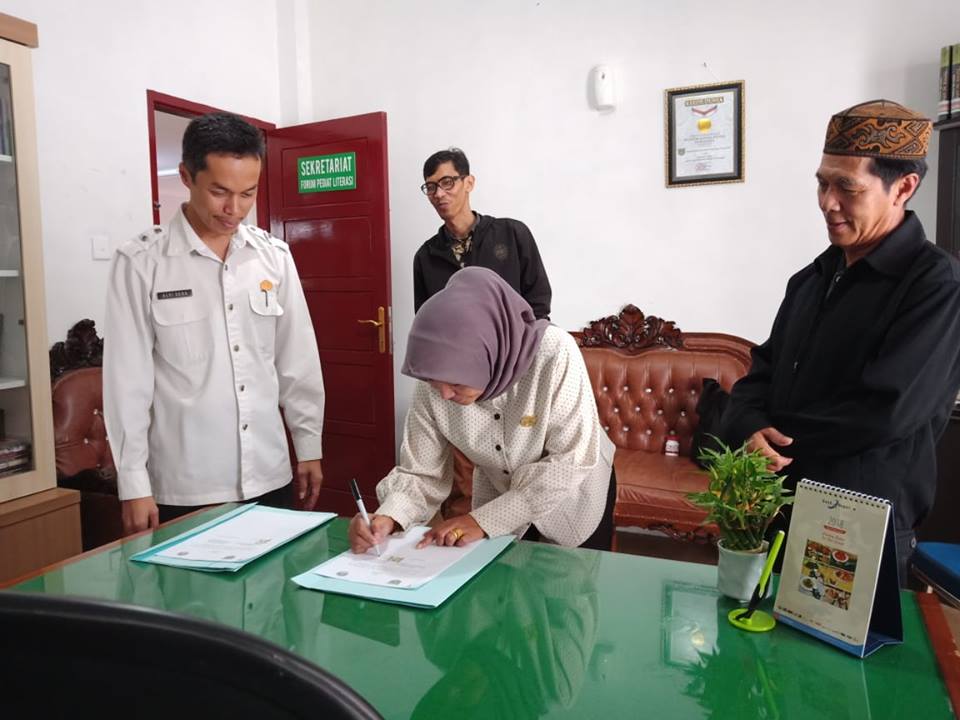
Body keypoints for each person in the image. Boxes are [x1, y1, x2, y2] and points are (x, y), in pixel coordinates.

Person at [723, 99, 960, 585]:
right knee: (763, 632)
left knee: (840, 640)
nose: (828, 202)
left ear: (904, 188)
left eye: (847, 188)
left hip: (857, 525)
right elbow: (763, 369)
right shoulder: (812, 278)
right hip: (782, 506)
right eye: (822, 183)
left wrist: (778, 438)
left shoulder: (937, 286)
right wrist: (748, 424)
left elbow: (886, 410)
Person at [104, 112, 326, 535]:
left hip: (269, 472)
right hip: (185, 485)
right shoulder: (141, 263)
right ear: (186, 176)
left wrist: (308, 445)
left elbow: (297, 362)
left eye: (248, 193)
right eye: (220, 192)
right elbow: (127, 383)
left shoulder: (273, 257)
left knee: (276, 578)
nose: (234, 209)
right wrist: (133, 483)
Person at [348, 267, 615, 553]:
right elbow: (421, 471)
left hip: (575, 496)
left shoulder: (554, 352)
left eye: (456, 382)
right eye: (435, 383)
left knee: (574, 577)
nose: (444, 394)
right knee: (506, 576)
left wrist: (483, 520)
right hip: (500, 494)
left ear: (487, 353)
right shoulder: (433, 384)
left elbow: (570, 460)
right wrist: (390, 516)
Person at [413, 147, 552, 319]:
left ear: (469, 183)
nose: (439, 194)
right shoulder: (426, 257)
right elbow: (426, 322)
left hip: (515, 336)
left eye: (447, 182)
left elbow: (539, 304)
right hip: (456, 338)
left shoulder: (512, 234)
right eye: (431, 187)